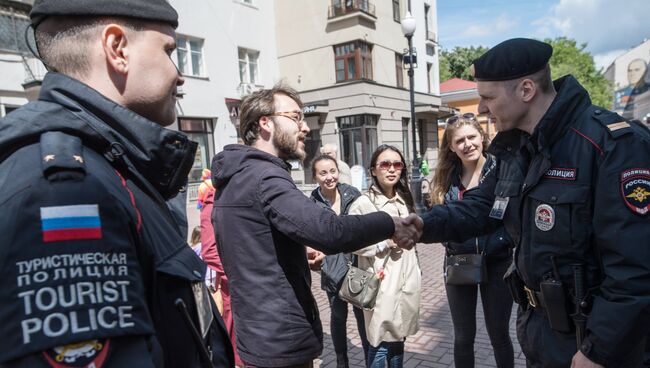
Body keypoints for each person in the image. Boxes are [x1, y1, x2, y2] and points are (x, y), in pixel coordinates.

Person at [0, 1, 234, 366]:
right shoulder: (65, 191)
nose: (179, 74)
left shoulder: (113, 168)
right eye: (169, 50)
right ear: (117, 48)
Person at [416, 38, 650, 367]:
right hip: (540, 336)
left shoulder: (611, 146)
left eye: (487, 98)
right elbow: (481, 207)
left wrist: (599, 352)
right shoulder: (517, 149)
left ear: (526, 90)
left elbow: (635, 268)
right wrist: (423, 225)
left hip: (594, 344)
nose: (481, 109)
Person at [210, 84, 421, 367]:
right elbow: (330, 231)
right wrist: (389, 223)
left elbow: (256, 246)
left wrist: (296, 251)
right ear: (265, 123)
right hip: (280, 339)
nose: (305, 127)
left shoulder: (237, 175)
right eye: (296, 117)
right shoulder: (265, 177)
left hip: (258, 334)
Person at [430, 114, 514, 368]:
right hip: (460, 261)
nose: (467, 144)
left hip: (498, 260)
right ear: (452, 147)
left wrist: (503, 240)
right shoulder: (446, 179)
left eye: (471, 137)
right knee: (464, 336)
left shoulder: (500, 170)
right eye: (460, 141)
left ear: (481, 137)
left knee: (499, 334)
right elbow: (441, 218)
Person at [349, 145, 421, 368]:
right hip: (380, 283)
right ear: (373, 170)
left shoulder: (404, 198)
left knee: (399, 340)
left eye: (397, 164)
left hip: (406, 280)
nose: (392, 169)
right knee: (379, 344)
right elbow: (350, 241)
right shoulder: (363, 203)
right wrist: (384, 243)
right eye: (385, 164)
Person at [309, 155, 369, 368]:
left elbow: (364, 225)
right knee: (338, 315)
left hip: (356, 263)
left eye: (332, 171)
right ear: (315, 176)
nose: (329, 177)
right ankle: (342, 361)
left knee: (362, 315)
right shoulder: (312, 202)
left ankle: (369, 358)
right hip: (332, 267)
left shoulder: (352, 194)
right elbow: (312, 236)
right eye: (323, 173)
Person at [199, 171, 244, 366]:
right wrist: (242, 275)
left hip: (251, 290)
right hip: (235, 290)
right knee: (238, 352)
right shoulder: (212, 206)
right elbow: (210, 252)